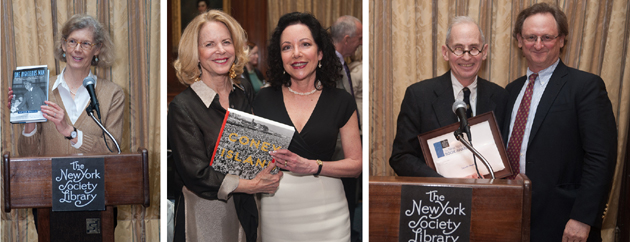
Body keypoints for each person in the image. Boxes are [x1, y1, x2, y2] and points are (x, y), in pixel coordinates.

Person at [503, 3, 617, 241]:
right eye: (531, 37)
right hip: (511, 216)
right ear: (519, 41)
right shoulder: (511, 91)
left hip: (565, 222)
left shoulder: (585, 87)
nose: (538, 44)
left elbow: (601, 158)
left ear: (562, 39)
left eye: (547, 37)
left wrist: (583, 218)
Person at [168, 10, 282, 242]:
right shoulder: (183, 106)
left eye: (226, 42)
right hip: (206, 212)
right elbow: (196, 174)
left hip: (248, 204)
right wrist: (249, 185)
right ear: (196, 53)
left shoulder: (243, 92)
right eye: (209, 44)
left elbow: (253, 148)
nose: (220, 50)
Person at [6, 14, 123, 236]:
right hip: (48, 202)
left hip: (96, 198)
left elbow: (113, 149)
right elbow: (29, 155)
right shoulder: (41, 89)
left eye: (86, 43)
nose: (78, 49)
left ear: (96, 49)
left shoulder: (112, 93)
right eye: (72, 41)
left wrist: (71, 132)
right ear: (63, 45)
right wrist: (28, 120)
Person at [253, 12, 362, 242]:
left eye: (305, 44)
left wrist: (312, 166)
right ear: (279, 57)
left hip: (329, 212)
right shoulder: (262, 99)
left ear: (320, 52)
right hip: (277, 210)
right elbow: (252, 159)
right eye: (286, 47)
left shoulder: (341, 100)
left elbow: (356, 165)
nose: (296, 54)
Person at [389, 16, 508, 177]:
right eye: (458, 48)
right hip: (436, 198)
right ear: (446, 53)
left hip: (486, 197)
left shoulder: (501, 97)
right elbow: (401, 157)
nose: (467, 57)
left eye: (474, 48)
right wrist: (445, 182)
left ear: (484, 52)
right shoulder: (419, 96)